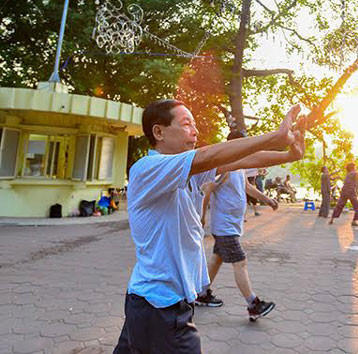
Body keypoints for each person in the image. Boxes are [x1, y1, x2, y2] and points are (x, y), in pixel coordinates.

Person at [114, 100, 305, 354]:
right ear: (159, 132)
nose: (194, 131)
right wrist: (275, 136)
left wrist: (289, 154)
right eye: (185, 124)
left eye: (194, 124)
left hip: (151, 303)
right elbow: (208, 155)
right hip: (160, 308)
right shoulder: (147, 169)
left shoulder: (188, 170)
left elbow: (242, 160)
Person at [199, 130, 280, 321]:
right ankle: (253, 304)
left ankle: (202, 294)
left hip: (230, 225)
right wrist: (201, 217)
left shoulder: (240, 166)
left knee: (217, 258)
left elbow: (247, 187)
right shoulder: (225, 166)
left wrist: (267, 199)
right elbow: (208, 189)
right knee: (240, 262)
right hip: (224, 226)